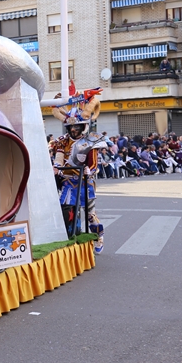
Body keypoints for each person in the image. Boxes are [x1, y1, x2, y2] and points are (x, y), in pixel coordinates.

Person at [51, 88, 105, 254]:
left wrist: (89, 171)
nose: (73, 130)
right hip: (67, 181)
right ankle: (70, 236)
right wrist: (56, 168)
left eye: (77, 127)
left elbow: (94, 165)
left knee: (90, 214)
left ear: (83, 127)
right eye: (71, 127)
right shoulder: (61, 141)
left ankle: (99, 236)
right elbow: (59, 160)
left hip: (84, 181)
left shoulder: (91, 141)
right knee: (65, 209)